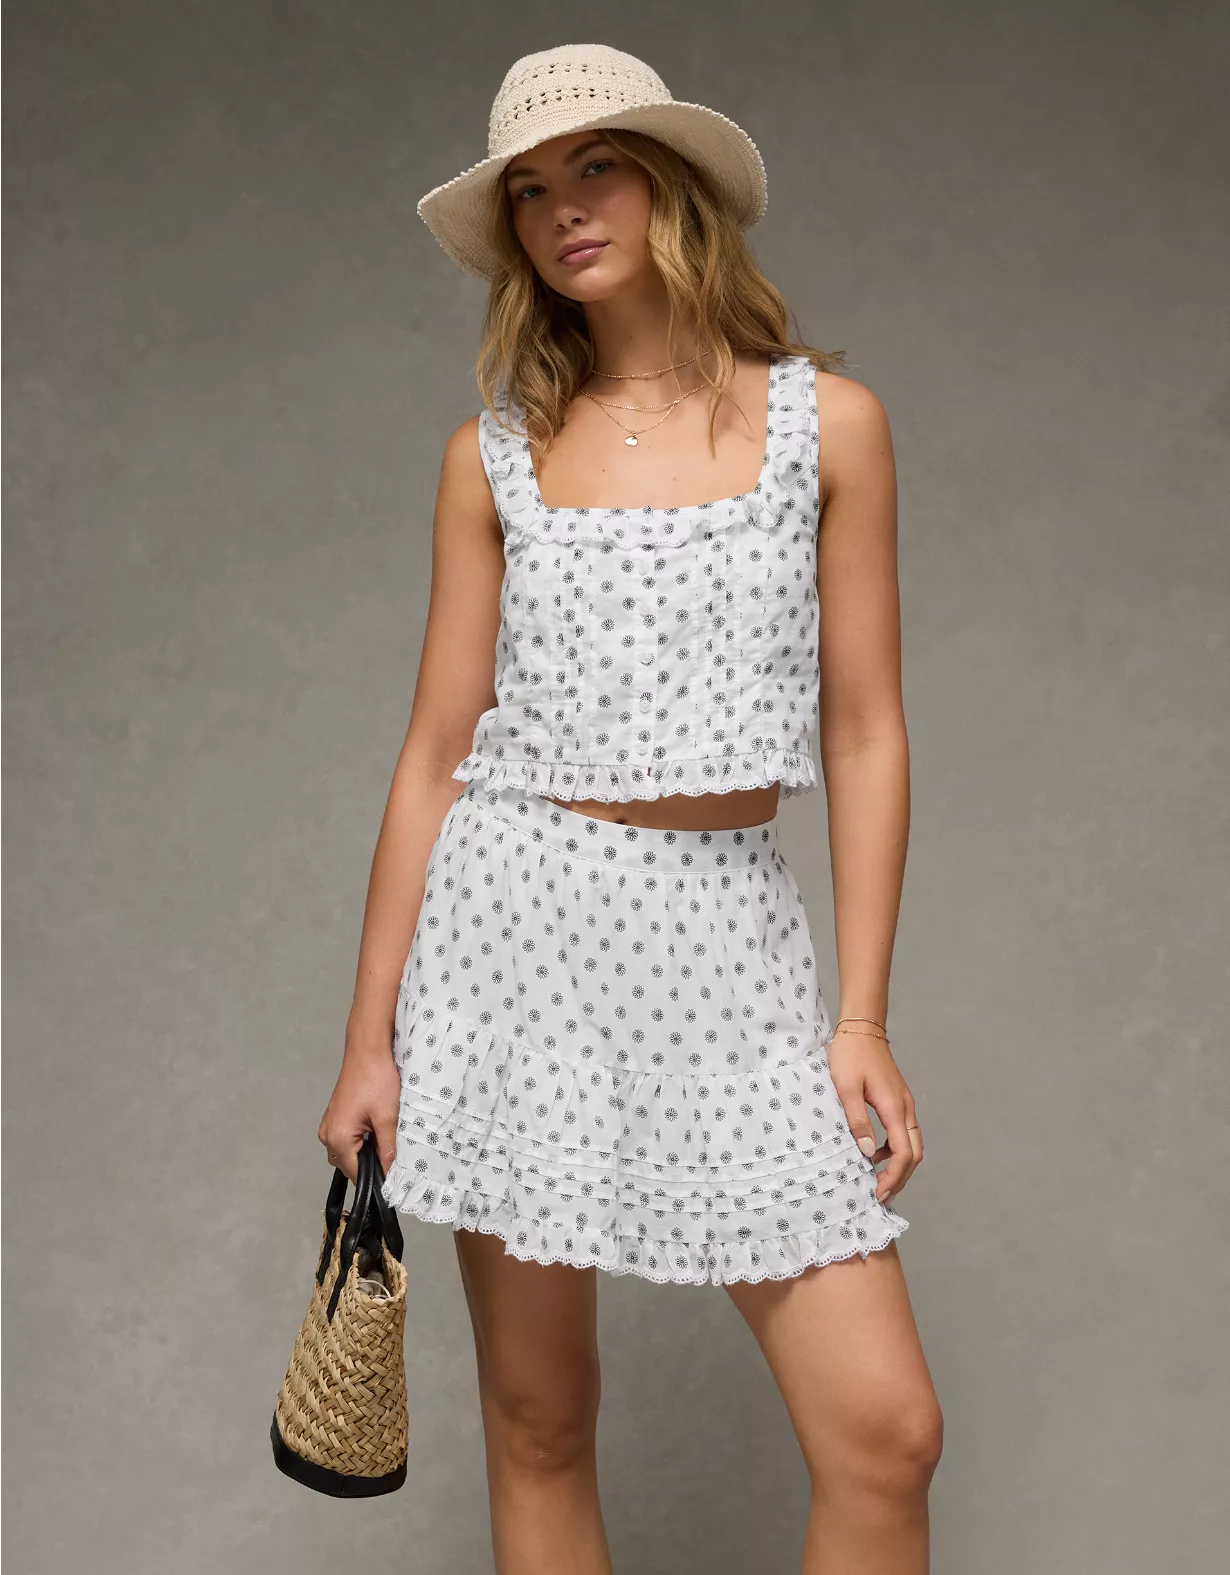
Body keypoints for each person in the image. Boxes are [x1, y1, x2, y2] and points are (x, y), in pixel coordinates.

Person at [318, 41, 942, 1575]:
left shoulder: (827, 426)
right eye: (529, 190)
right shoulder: (493, 457)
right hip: (514, 934)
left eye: (593, 167)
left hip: (725, 941)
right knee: (538, 1418)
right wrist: (369, 1041)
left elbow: (864, 730)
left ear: (672, 186)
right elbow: (432, 755)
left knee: (885, 1433)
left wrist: (859, 1015)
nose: (561, 210)